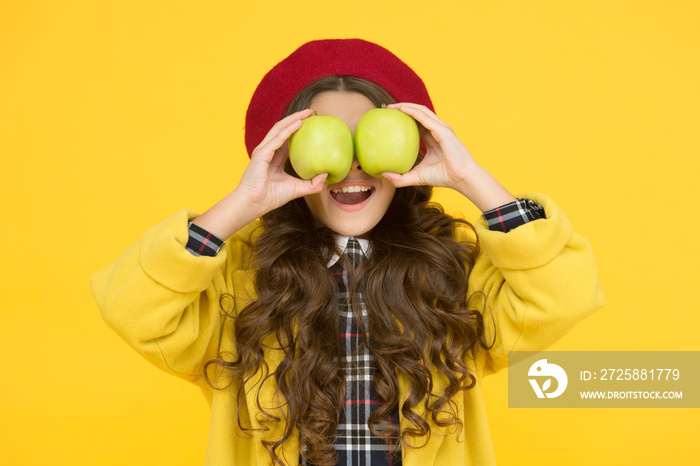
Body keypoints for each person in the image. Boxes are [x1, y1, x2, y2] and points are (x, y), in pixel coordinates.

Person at [90, 39, 604, 466]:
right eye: (330, 141)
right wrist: (239, 206)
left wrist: (472, 180)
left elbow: (565, 295)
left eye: (370, 142)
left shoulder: (450, 270)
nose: (352, 167)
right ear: (286, 157)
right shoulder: (241, 277)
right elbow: (133, 309)